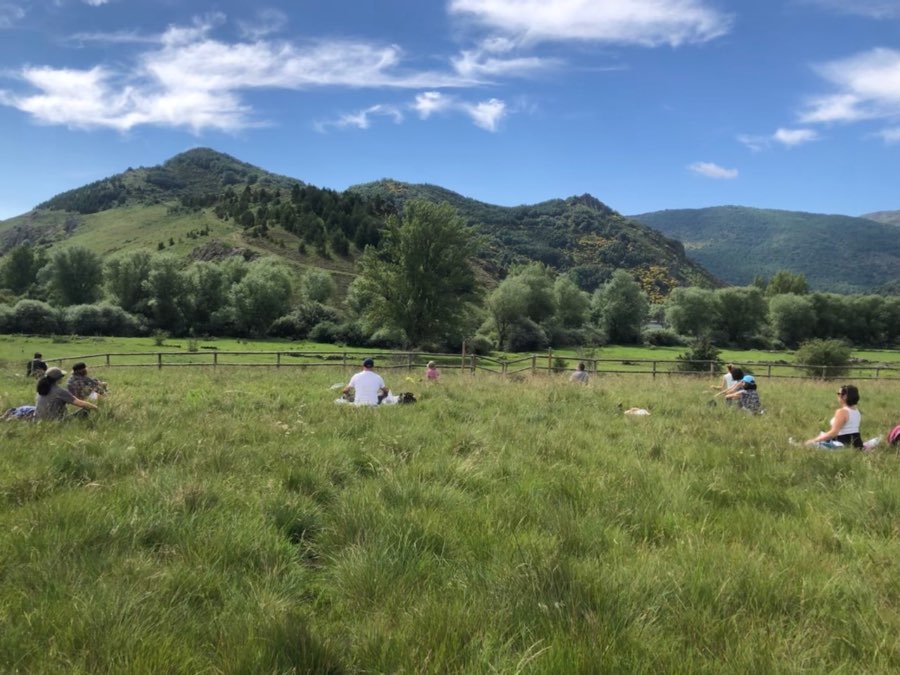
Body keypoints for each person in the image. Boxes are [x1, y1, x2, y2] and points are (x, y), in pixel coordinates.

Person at [804, 384, 863, 449]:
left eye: (838, 393)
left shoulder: (842, 412)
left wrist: (813, 440)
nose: (837, 396)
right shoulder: (856, 411)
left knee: (810, 445)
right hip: (857, 444)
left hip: (842, 443)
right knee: (822, 434)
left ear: (845, 396)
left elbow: (833, 433)